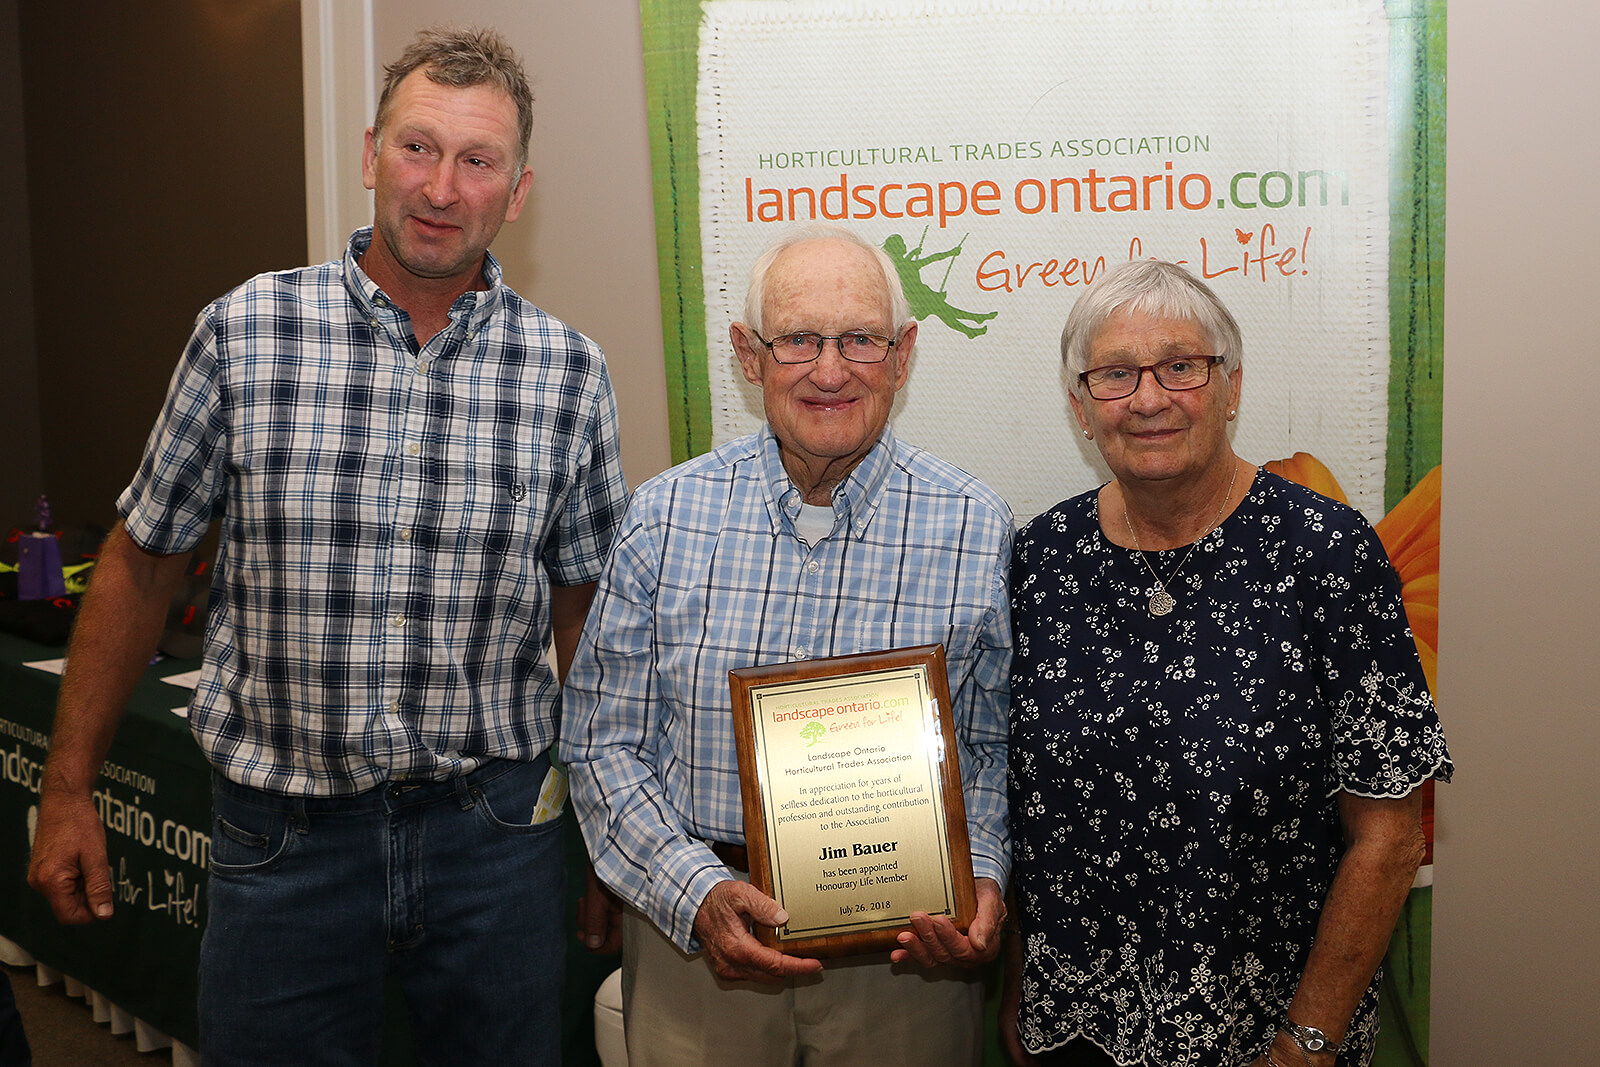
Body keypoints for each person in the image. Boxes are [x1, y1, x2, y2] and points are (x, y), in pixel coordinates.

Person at [26, 26, 628, 1065]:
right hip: (284, 845)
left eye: (476, 160)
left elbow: (585, 613)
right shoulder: (246, 330)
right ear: (368, 155)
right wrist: (68, 783)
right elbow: (142, 556)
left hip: (495, 843)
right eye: (416, 148)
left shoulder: (569, 375)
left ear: (516, 191)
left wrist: (610, 842)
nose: (441, 187)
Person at [561, 224, 1012, 1067]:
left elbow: (991, 747)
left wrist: (979, 872)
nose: (830, 370)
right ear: (748, 354)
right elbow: (599, 742)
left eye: (860, 340)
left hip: (908, 964)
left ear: (904, 353)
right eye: (799, 338)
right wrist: (693, 891)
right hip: (698, 947)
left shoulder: (974, 525)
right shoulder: (664, 518)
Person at [1002, 259, 1452, 1067]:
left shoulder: (1328, 554)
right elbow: (1025, 806)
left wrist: (1306, 1040)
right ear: (1080, 406)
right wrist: (1019, 993)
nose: (1148, 397)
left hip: (1266, 1036)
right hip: (1074, 1031)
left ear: (1231, 384)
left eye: (1181, 366)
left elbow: (1388, 831)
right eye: (1114, 374)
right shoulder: (1040, 556)